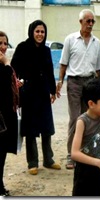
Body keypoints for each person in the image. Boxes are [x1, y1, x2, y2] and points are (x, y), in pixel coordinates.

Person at [11, 20, 61, 175]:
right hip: (28, 94)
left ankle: (48, 159)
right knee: (31, 130)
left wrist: (52, 91)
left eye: (42, 32)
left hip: (43, 94)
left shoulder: (46, 50)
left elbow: (49, 71)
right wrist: (16, 85)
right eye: (37, 31)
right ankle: (32, 162)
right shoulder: (22, 47)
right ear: (32, 32)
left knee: (47, 128)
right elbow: (13, 69)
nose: (40, 34)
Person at [56, 9, 100, 169]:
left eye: (92, 22)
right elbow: (63, 63)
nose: (90, 24)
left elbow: (98, 69)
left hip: (90, 83)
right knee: (75, 119)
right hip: (74, 82)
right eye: (87, 21)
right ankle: (71, 155)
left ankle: (85, 152)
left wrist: (99, 87)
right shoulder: (70, 39)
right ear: (80, 22)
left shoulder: (97, 42)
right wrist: (60, 81)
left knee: (89, 119)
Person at [0, 31, 19, 196]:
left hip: (6, 115)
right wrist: (7, 63)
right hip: (0, 117)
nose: (3, 47)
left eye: (5, 43)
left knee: (2, 153)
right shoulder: (3, 64)